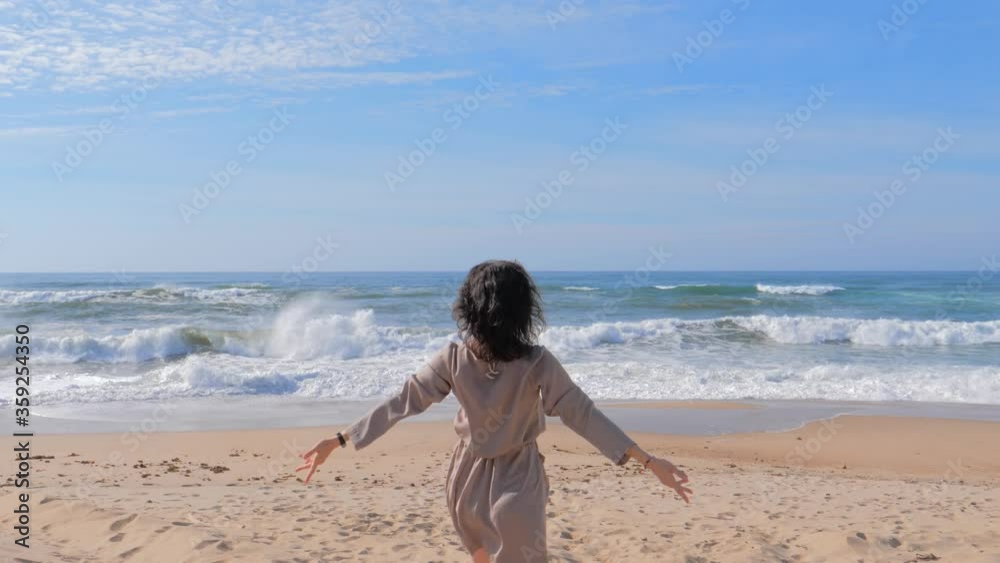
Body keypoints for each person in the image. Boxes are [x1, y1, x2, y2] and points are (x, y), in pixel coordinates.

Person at [297, 260, 693, 562]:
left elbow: (581, 413)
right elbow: (404, 400)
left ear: (473, 309)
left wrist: (646, 460)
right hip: (479, 476)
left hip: (499, 477)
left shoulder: (530, 364)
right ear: (521, 311)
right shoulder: (461, 359)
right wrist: (340, 438)